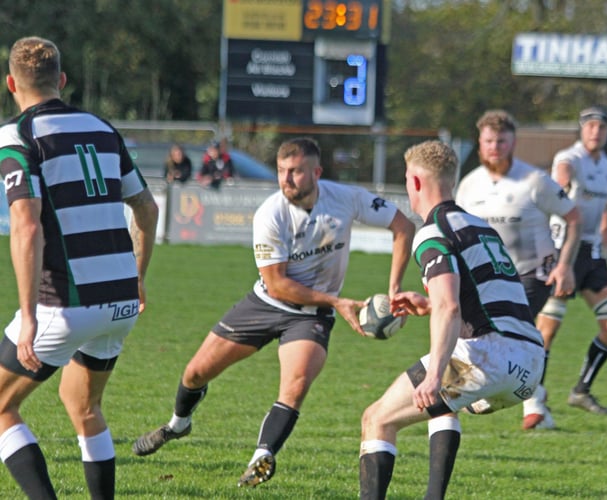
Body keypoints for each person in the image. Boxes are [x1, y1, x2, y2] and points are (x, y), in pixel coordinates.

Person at [132, 137, 415, 488]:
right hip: (265, 304)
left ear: (316, 172)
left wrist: (394, 288)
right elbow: (277, 284)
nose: (287, 179)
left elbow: (403, 226)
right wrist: (338, 302)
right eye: (282, 171)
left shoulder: (347, 198)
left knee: (295, 387)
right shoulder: (271, 213)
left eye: (295, 171)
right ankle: (178, 424)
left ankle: (262, 457)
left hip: (311, 316)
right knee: (194, 373)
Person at [0, 36, 158, 499]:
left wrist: (28, 316)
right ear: (62, 81)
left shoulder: (17, 136)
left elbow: (27, 227)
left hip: (65, 303)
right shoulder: (103, 128)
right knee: (83, 404)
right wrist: (138, 275)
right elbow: (147, 209)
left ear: (11, 84)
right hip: (120, 300)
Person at [359, 140, 545, 500]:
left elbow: (450, 308)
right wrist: (426, 304)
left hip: (488, 357)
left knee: (377, 418)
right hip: (531, 365)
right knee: (443, 404)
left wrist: (432, 375)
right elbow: (484, 300)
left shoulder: (431, 232)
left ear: (414, 182)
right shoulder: (481, 227)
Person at [456, 109, 581, 430]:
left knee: (502, 332)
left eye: (501, 140)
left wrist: (564, 265)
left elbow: (573, 217)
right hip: (483, 277)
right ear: (480, 143)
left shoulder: (534, 181)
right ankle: (536, 404)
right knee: (496, 335)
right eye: (488, 141)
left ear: (513, 143)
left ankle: (496, 395)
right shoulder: (469, 186)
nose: (494, 147)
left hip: (529, 274)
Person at [536, 105, 607, 416]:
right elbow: (560, 177)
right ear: (581, 129)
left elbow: (601, 211)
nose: (595, 131)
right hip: (562, 250)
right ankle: (535, 398)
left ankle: (580, 391)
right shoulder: (569, 158)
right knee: (547, 330)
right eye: (589, 126)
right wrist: (560, 184)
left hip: (592, 253)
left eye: (601, 127)